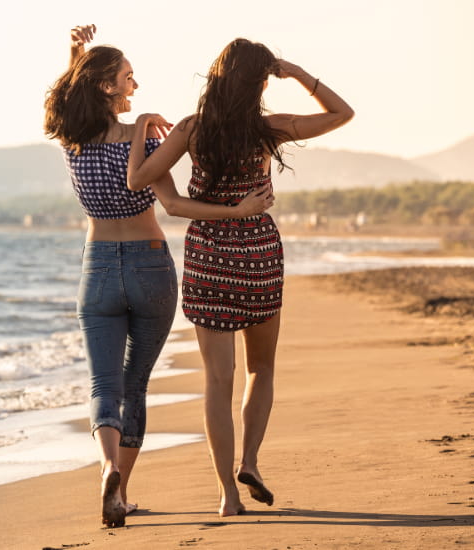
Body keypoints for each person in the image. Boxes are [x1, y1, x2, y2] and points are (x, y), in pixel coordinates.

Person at [44, 27, 275, 528]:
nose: (135, 85)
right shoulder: (145, 137)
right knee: (137, 384)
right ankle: (121, 490)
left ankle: (107, 468)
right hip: (151, 264)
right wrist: (236, 210)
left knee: (103, 383)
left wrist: (75, 55)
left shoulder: (72, 137)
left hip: (98, 265)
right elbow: (170, 204)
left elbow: (66, 95)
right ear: (107, 87)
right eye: (128, 78)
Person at [127, 38, 354, 517]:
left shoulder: (192, 130)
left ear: (216, 78)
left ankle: (228, 495)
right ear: (259, 83)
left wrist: (141, 128)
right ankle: (249, 461)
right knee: (261, 369)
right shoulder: (268, 130)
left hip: (210, 255)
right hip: (259, 255)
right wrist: (296, 72)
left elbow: (143, 183)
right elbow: (341, 114)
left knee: (217, 380)